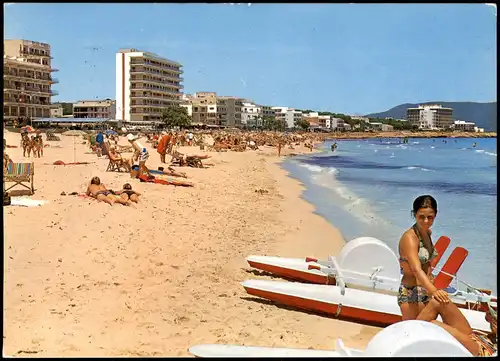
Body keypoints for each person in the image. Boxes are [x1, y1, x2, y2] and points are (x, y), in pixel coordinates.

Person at [398, 195, 450, 320]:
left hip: (426, 289)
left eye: (430, 217)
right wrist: (434, 291)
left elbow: (426, 264)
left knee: (427, 330)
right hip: (412, 294)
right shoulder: (410, 238)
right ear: (414, 214)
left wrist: (432, 286)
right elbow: (416, 269)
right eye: (421, 217)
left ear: (435, 215)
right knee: (414, 331)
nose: (426, 221)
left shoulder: (427, 232)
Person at [416, 296, 497, 356]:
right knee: (438, 302)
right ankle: (409, 339)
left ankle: (410, 346)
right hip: (483, 339)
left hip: (486, 351)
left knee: (433, 326)